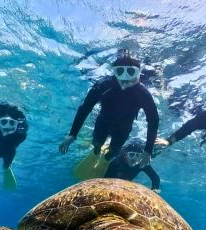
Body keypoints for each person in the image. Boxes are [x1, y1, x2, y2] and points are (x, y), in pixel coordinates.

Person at [59, 50, 159, 180]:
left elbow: (153, 120)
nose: (125, 77)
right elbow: (85, 109)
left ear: (138, 73)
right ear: (114, 72)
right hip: (103, 123)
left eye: (130, 72)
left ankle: (105, 159)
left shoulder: (143, 93)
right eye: (120, 72)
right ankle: (96, 152)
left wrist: (148, 150)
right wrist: (73, 134)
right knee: (97, 144)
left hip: (123, 128)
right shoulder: (103, 85)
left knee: (114, 152)